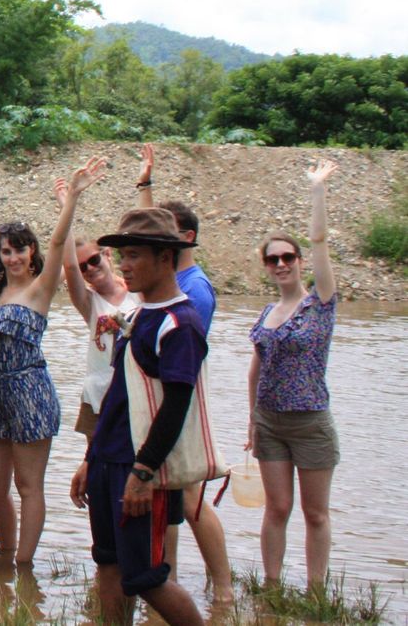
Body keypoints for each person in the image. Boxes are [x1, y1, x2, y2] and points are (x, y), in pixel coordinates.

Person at [0, 158, 105, 566]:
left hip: (30, 390)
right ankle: (6, 552)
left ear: (31, 252)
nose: (12, 258)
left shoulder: (41, 289)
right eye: (5, 251)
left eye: (19, 249)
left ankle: (22, 563)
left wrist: (70, 199)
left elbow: (60, 245)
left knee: (28, 484)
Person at [69, 207, 207, 626]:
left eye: (134, 255)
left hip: (140, 467)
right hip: (108, 459)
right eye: (122, 255)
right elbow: (118, 395)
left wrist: (145, 471)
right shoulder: (139, 316)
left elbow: (176, 407)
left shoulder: (179, 323)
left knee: (146, 577)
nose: (125, 265)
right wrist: (90, 458)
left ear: (166, 258)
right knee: (109, 564)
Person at [137, 145, 233, 603]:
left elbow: (181, 354)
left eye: (164, 238)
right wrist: (145, 186)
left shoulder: (195, 291)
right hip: (160, 406)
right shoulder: (171, 283)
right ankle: (170, 579)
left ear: (183, 240)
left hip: (179, 409)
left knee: (191, 499)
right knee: (170, 504)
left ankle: (226, 588)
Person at [248, 159, 340, 589]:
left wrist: (317, 190)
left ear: (300, 262)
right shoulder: (267, 312)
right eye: (273, 259)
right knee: (277, 508)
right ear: (266, 267)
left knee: (315, 512)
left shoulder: (320, 302)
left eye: (287, 257)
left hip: (310, 421)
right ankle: (271, 586)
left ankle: (317, 591)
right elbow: (256, 368)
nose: (281, 264)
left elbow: (320, 241)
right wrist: (251, 418)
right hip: (270, 421)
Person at [60, 183, 138, 441]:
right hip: (98, 393)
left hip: (135, 389)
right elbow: (69, 265)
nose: (90, 269)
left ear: (106, 255)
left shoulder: (139, 291)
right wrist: (67, 206)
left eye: (94, 260)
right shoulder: (89, 302)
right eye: (84, 267)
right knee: (95, 464)